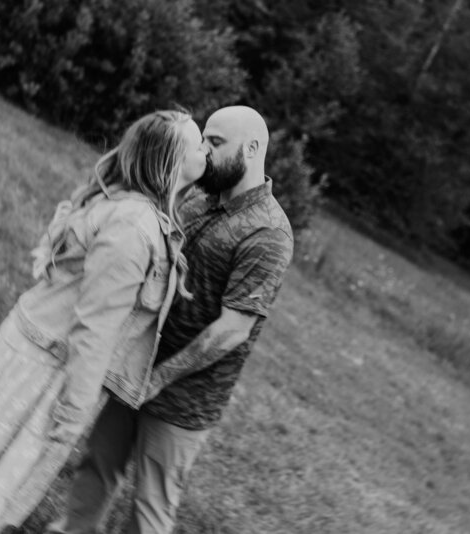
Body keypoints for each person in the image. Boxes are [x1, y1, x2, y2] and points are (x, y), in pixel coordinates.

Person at [0, 109, 208, 534]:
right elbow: (96, 327)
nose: (206, 148)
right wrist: (76, 408)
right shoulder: (136, 227)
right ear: (168, 161)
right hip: (47, 367)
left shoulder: (145, 215)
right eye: (198, 142)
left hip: (43, 354)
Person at [47, 105, 294, 534]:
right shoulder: (198, 196)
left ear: (252, 149)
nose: (204, 151)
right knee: (97, 465)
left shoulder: (268, 232)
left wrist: (159, 379)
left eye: (215, 143)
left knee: (150, 507)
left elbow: (233, 329)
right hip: (135, 363)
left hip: (186, 396)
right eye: (204, 140)